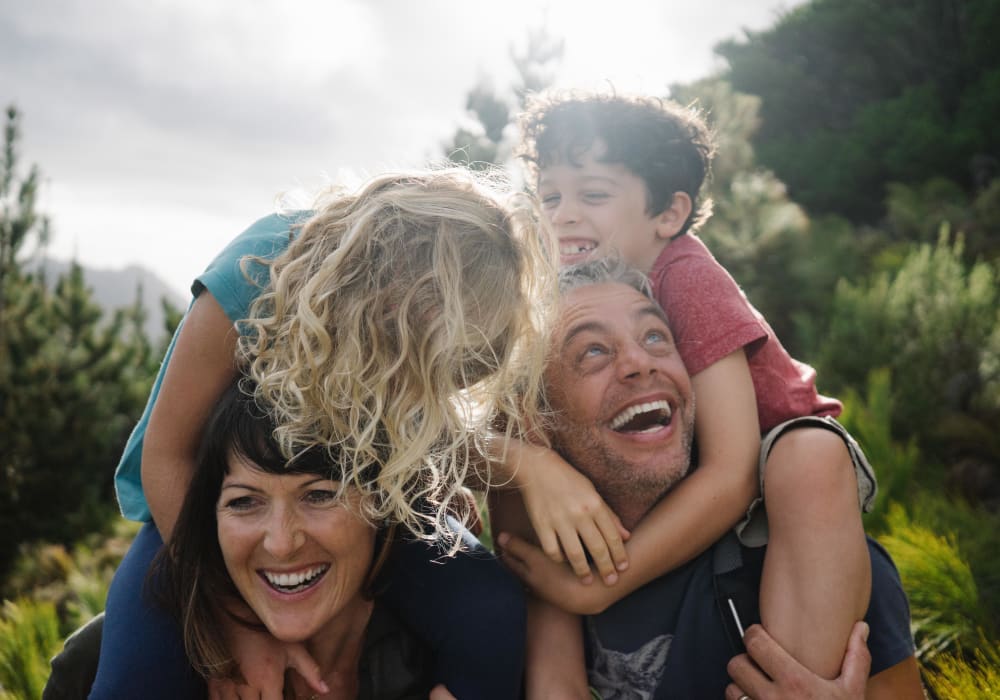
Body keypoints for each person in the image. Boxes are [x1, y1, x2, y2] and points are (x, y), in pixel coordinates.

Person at [89, 168, 552, 699]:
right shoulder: (257, 269)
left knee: (488, 609)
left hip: (358, 509)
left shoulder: (447, 325)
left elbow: (418, 428)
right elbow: (168, 458)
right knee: (132, 680)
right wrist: (238, 626)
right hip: (207, 518)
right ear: (392, 281)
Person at [501, 90, 878, 688]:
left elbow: (731, 474)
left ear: (668, 215)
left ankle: (797, 679)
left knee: (807, 461)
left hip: (784, 465)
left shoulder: (687, 278)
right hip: (719, 476)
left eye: (593, 195)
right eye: (550, 197)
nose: (562, 216)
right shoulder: (559, 298)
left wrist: (602, 587)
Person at [494, 259, 924, 698]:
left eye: (656, 337)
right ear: (537, 416)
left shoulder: (810, 555)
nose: (640, 363)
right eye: (593, 351)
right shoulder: (544, 577)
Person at [153, 378, 441, 698]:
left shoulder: (458, 667)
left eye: (318, 496)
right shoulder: (125, 667)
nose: (281, 544)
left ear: (383, 503)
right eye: (244, 501)